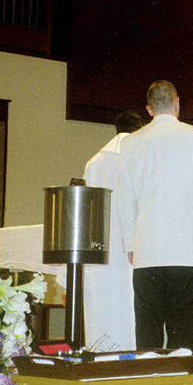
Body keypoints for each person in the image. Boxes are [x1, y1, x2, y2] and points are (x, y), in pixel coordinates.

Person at [117, 80, 193, 350]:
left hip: (147, 251)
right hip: (186, 251)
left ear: (149, 109)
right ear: (177, 103)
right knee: (182, 331)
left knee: (147, 329)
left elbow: (124, 198)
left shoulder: (130, 143)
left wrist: (130, 243)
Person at [82, 109, 144, 351]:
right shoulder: (140, 155)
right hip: (134, 245)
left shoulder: (96, 161)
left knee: (103, 301)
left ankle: (101, 354)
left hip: (102, 247)